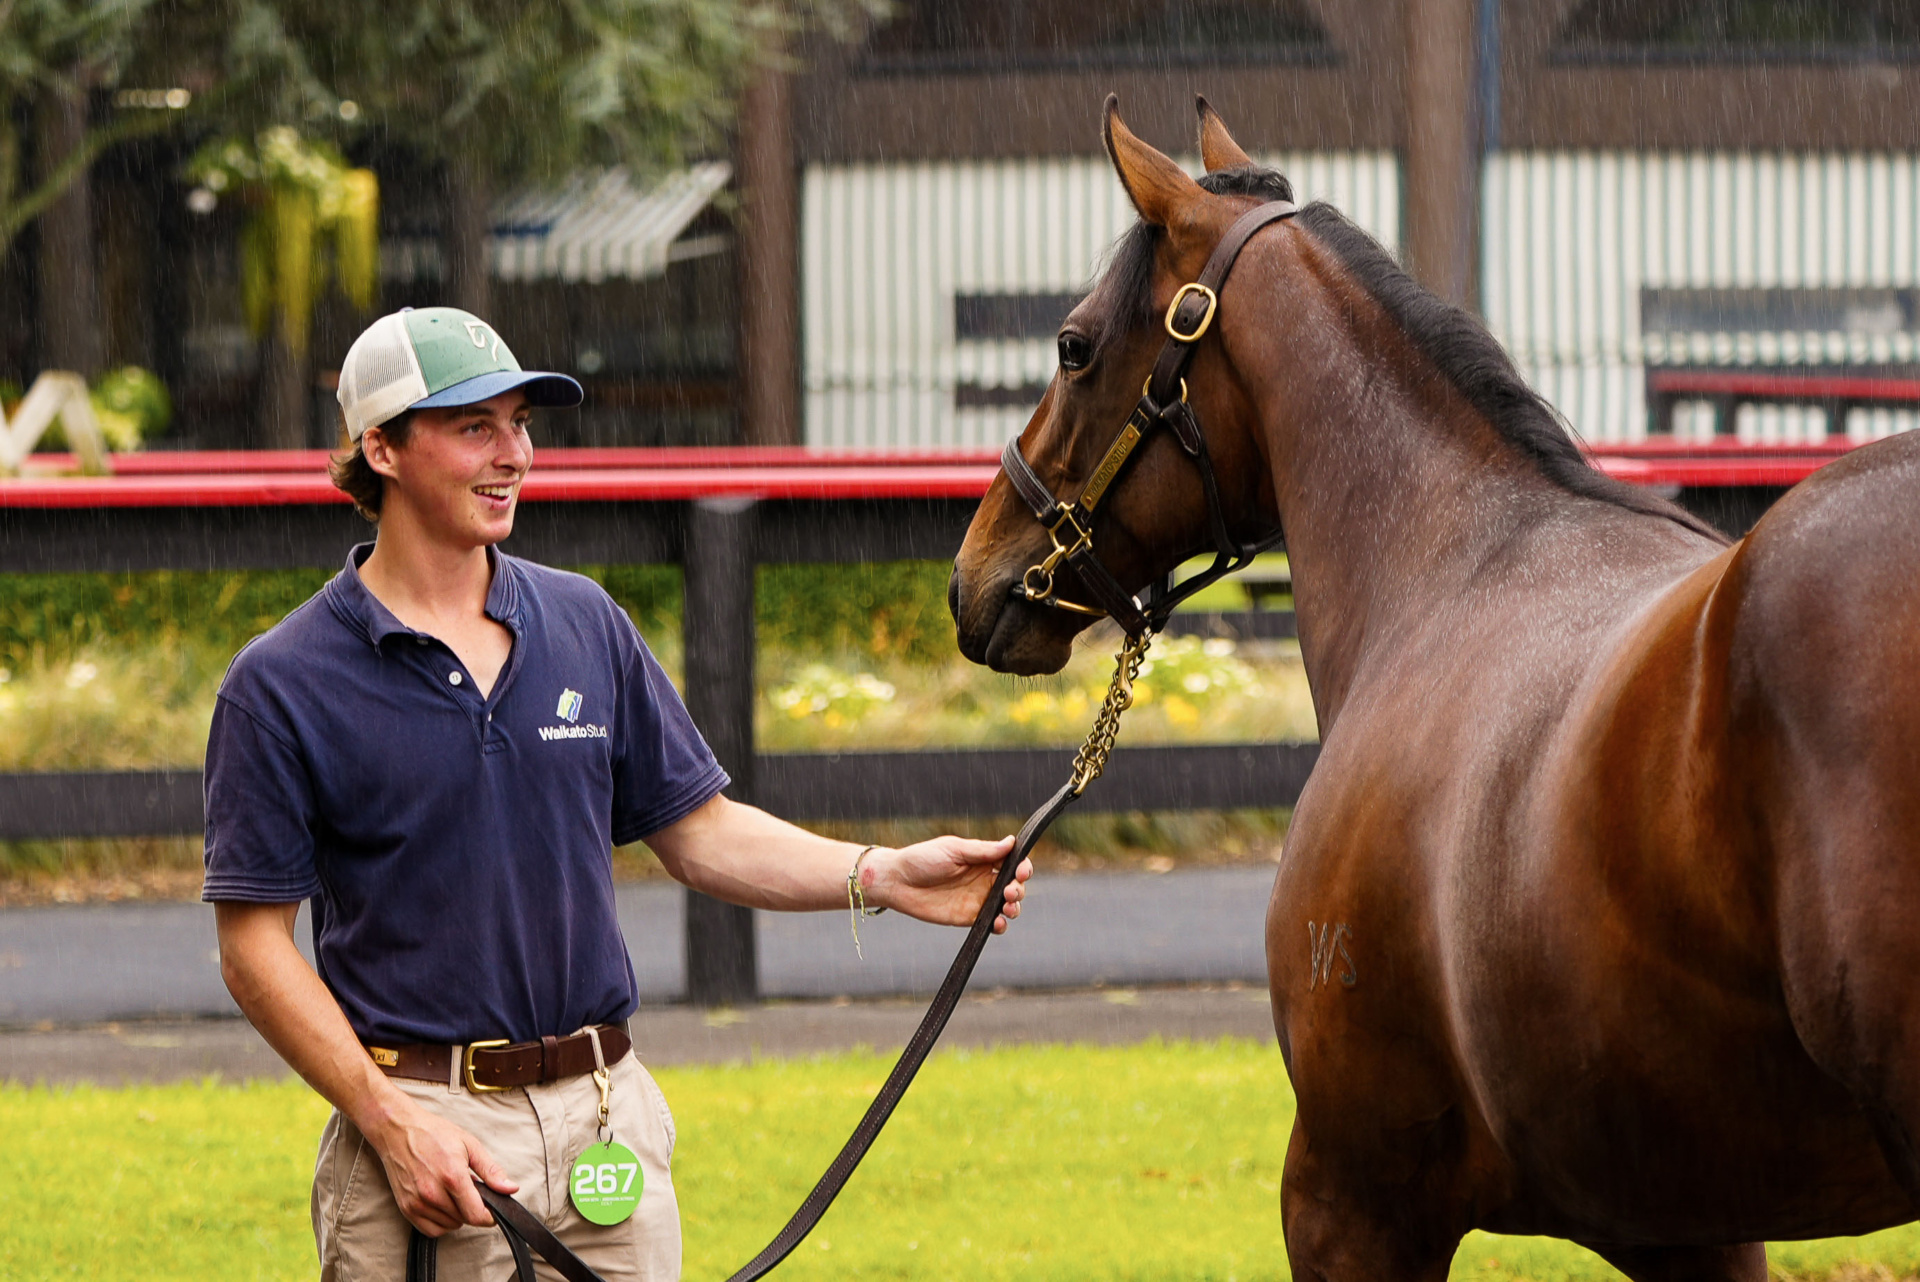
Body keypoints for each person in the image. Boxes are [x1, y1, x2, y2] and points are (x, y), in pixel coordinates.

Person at [204, 306, 1030, 1281]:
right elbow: (254, 947)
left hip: (607, 1120)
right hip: (425, 1137)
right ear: (380, 448)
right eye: (475, 427)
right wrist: (389, 1122)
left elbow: (701, 832)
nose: (514, 454)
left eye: (521, 424)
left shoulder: (585, 622)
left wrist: (882, 873)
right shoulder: (282, 682)